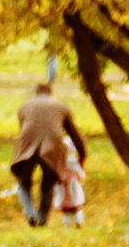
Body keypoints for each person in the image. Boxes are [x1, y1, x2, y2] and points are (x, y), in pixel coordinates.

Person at [12, 66, 88, 228]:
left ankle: (30, 213)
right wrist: (82, 155)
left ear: (35, 93)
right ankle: (42, 220)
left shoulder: (24, 107)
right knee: (48, 185)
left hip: (27, 146)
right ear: (51, 93)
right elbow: (75, 135)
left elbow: (24, 129)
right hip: (52, 147)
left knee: (23, 183)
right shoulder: (61, 106)